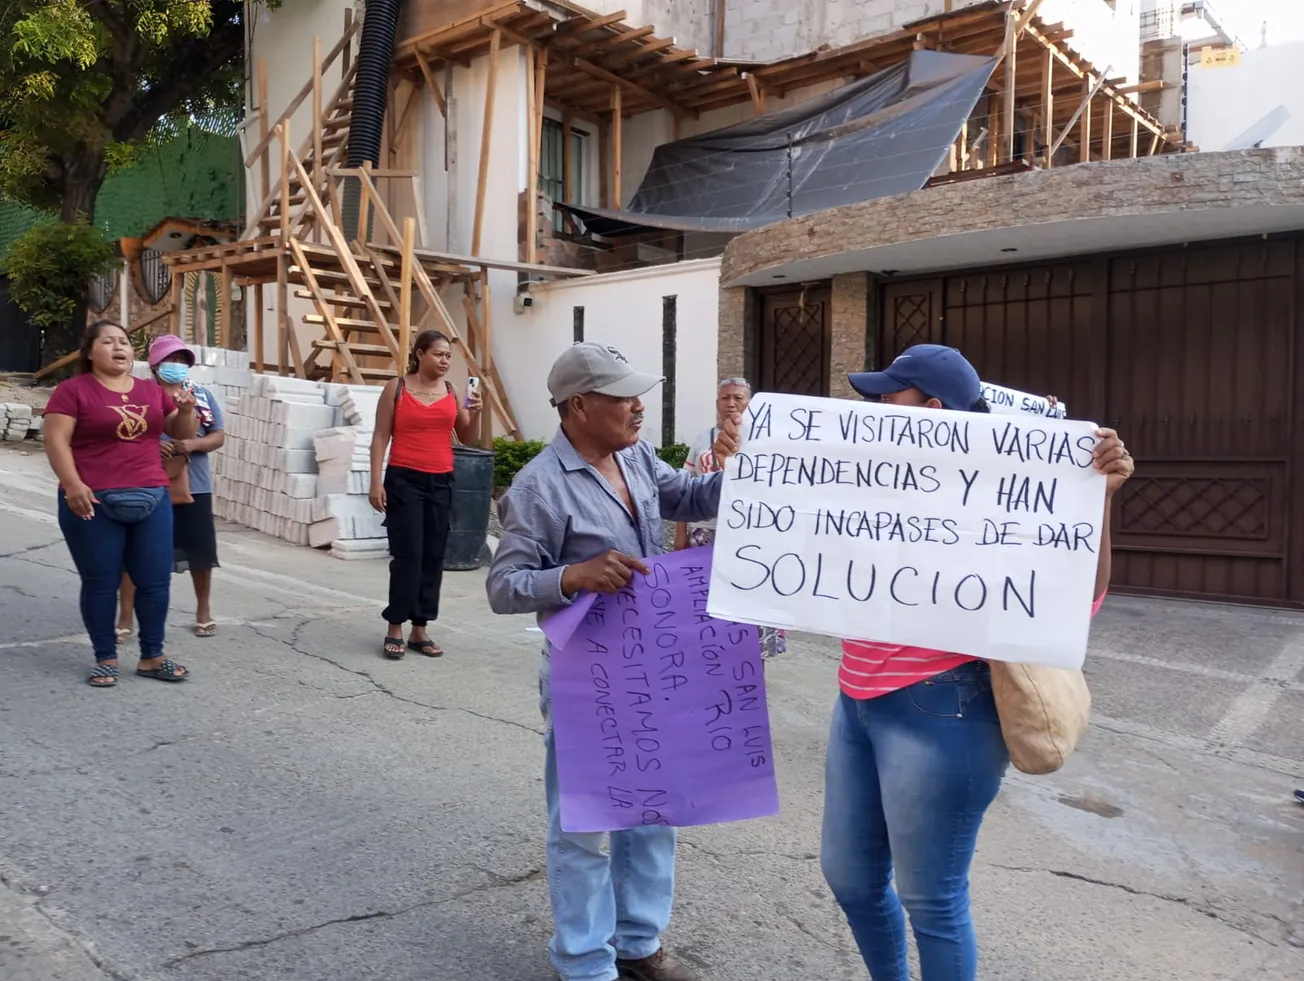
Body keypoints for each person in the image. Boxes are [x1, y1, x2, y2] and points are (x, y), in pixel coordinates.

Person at [714, 344, 1135, 981]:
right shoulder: (873, 476)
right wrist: (748, 470)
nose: (876, 405)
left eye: (891, 394)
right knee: (850, 877)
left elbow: (1078, 595)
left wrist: (1098, 498)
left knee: (931, 898)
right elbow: (799, 531)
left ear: (933, 411)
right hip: (856, 700)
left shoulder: (1002, 488)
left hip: (947, 707)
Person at [486, 341, 726, 981]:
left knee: (654, 811)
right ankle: (586, 961)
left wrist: (749, 478)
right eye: (623, 395)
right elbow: (503, 586)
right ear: (581, 405)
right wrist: (574, 576)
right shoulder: (539, 486)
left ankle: (638, 945)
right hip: (585, 674)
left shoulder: (639, 456)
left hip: (652, 665)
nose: (638, 406)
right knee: (584, 827)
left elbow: (693, 497)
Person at [43, 320, 198, 688]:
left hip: (153, 496)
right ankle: (105, 657)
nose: (119, 348)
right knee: (100, 581)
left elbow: (182, 434)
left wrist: (187, 410)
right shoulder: (71, 391)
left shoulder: (151, 390)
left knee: (155, 581)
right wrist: (72, 483)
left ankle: (152, 656)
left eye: (125, 342)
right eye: (109, 342)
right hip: (93, 499)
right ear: (90, 352)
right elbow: (56, 441)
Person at [369, 329, 482, 659]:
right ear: (420, 354)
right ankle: (395, 625)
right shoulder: (397, 388)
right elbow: (379, 438)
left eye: (449, 356)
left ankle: (420, 628)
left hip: (441, 480)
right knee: (408, 555)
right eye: (439, 354)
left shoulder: (451, 390)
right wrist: (376, 483)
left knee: (433, 555)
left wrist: (474, 412)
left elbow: (468, 439)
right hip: (404, 480)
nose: (446, 361)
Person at [116, 335, 226, 639]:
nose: (176, 366)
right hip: (145, 481)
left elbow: (218, 435)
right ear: (154, 365)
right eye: (170, 360)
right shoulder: (138, 395)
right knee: (134, 550)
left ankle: (203, 609)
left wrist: (191, 443)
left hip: (195, 484)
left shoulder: (200, 396)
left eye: (181, 360)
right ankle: (125, 616)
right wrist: (153, 449)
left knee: (200, 550)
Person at [674, 376, 786, 659]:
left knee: (745, 608)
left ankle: (749, 662)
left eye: (739, 397)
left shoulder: (765, 438)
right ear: (716, 403)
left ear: (750, 403)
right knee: (705, 607)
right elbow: (686, 487)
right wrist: (680, 535)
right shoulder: (702, 438)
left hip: (748, 539)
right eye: (726, 398)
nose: (732, 403)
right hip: (704, 536)